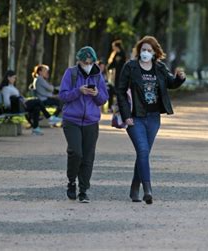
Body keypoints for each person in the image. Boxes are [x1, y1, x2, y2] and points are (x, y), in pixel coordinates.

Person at [117, 36, 186, 204]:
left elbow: (171, 83)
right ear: (139, 51)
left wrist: (179, 78)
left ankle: (135, 187)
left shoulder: (160, 68)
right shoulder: (130, 67)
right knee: (142, 150)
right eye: (143, 50)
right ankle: (147, 190)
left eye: (149, 50)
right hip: (135, 117)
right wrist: (126, 116)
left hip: (154, 118)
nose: (145, 53)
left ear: (155, 52)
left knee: (144, 153)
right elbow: (120, 91)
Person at [59, 46, 109, 203]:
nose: (87, 65)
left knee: (88, 157)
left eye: (90, 62)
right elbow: (62, 96)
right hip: (71, 120)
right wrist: (78, 91)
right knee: (76, 152)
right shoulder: (71, 73)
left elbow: (104, 98)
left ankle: (83, 190)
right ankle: (71, 182)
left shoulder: (97, 76)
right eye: (84, 62)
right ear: (79, 61)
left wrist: (96, 94)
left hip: (91, 122)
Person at [0, 70, 45, 135]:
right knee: (38, 101)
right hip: (17, 108)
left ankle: (35, 129)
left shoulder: (11, 87)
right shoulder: (6, 89)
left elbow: (18, 97)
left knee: (36, 107)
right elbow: (7, 103)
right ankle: (47, 116)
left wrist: (23, 100)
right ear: (8, 77)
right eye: (13, 78)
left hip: (21, 106)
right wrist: (12, 107)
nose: (15, 79)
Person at [107, 40, 126, 108]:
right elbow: (113, 63)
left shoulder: (122, 54)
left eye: (113, 46)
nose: (113, 48)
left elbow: (122, 64)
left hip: (121, 74)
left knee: (118, 89)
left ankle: (119, 104)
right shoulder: (115, 54)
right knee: (114, 88)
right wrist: (108, 67)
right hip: (115, 74)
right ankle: (112, 105)